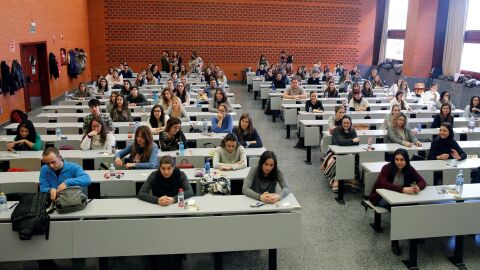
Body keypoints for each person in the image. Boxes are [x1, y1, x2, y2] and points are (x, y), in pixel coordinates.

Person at [369, 148, 427, 256]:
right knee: (398, 210)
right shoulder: (387, 168)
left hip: (400, 197)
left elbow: (423, 181)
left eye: (402, 160)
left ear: (406, 160)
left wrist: (418, 187)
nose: (399, 162)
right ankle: (395, 240)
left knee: (415, 206)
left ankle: (413, 233)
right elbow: (383, 183)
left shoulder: (409, 168)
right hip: (380, 197)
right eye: (397, 159)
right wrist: (402, 189)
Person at [330, 115, 360, 191]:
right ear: (341, 123)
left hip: (349, 152)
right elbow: (340, 142)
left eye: (348, 123)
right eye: (344, 123)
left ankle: (352, 185)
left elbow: (357, 142)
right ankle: (338, 185)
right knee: (342, 161)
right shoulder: (336, 130)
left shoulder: (353, 130)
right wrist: (352, 141)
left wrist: (351, 141)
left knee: (354, 161)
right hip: (334, 152)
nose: (346, 124)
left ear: (350, 124)